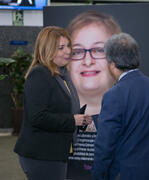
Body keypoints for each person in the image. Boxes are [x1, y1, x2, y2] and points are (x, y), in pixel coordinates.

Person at [14, 26, 91, 180]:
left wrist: (80, 119)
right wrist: (72, 120)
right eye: (61, 48)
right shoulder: (40, 74)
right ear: (47, 50)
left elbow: (60, 108)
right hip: (41, 154)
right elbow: (37, 117)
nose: (68, 51)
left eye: (68, 46)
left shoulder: (61, 75)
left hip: (55, 152)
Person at [91, 33, 149, 180]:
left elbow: (105, 146)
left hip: (125, 174)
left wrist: (98, 175)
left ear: (112, 64)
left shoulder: (114, 95)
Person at [67, 10, 121, 132]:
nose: (87, 61)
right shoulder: (53, 112)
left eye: (98, 50)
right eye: (77, 52)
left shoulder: (135, 111)